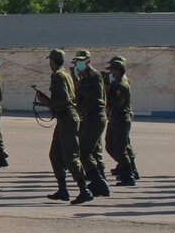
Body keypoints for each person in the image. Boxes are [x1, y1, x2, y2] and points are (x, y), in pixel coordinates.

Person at [34, 49, 92, 204]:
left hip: (67, 118)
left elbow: (64, 99)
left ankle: (84, 190)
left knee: (71, 156)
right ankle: (63, 189)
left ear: (52, 61)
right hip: (64, 118)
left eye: (50, 61)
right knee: (55, 155)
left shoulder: (58, 75)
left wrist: (48, 102)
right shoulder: (64, 74)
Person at [72, 50, 110, 196]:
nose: (79, 64)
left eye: (82, 61)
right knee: (90, 151)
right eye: (77, 62)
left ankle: (99, 182)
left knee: (84, 151)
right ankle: (98, 181)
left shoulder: (94, 76)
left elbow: (97, 96)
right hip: (89, 116)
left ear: (88, 61)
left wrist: (80, 87)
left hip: (96, 116)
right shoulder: (84, 77)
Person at [105, 56, 137, 185]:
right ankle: (126, 169)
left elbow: (116, 103)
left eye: (112, 71)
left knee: (120, 148)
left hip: (121, 117)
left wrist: (107, 91)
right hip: (115, 117)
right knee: (111, 145)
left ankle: (128, 174)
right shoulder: (116, 83)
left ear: (118, 71)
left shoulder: (121, 86)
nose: (110, 73)